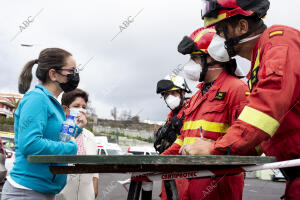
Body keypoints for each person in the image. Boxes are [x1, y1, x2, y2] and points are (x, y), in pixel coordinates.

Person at [181, 0, 300, 199]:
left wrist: (214, 149)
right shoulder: (259, 61)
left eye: (219, 31)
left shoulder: (279, 41)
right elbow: (260, 136)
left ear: (242, 27)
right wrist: (218, 149)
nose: (215, 39)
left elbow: (265, 111)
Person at [163, 26, 255, 200]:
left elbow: (250, 143)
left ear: (213, 57)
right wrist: (157, 162)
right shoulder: (197, 96)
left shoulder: (237, 90)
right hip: (188, 185)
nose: (189, 64)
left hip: (217, 188)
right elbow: (183, 139)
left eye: (194, 58)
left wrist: (213, 149)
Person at [2, 48, 83, 200]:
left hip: (42, 191)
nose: (75, 76)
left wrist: (77, 129)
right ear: (53, 74)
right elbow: (30, 144)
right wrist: (70, 147)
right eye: (71, 71)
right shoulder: (37, 99)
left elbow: (59, 140)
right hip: (26, 191)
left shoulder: (52, 103)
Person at [56, 88, 99, 200]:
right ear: (65, 109)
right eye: (76, 106)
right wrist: (77, 128)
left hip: (86, 196)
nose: (81, 110)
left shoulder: (90, 137)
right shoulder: (58, 131)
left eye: (84, 107)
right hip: (62, 195)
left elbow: (95, 167)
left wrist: (94, 190)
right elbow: (61, 149)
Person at [155, 75, 191, 200]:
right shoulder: (171, 117)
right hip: (170, 173)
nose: (169, 97)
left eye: (173, 93)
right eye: (166, 94)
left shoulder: (191, 112)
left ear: (183, 92)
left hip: (186, 174)